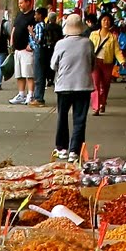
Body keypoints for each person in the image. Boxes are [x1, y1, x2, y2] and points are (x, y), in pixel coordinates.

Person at [48, 15, 94, 159]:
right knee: (80, 119)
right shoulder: (88, 43)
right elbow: (92, 64)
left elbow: (53, 65)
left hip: (64, 86)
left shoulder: (61, 44)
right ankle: (75, 150)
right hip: (83, 85)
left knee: (62, 117)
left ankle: (62, 148)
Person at [89, 12, 124, 113]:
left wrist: (122, 61)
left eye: (108, 20)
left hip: (107, 64)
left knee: (105, 85)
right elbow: (89, 47)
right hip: (95, 63)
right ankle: (96, 107)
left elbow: (117, 51)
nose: (106, 22)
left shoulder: (113, 37)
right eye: (104, 20)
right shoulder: (93, 34)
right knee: (95, 84)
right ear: (100, 21)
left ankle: (102, 103)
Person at [9, 0, 37, 104]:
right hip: (18, 49)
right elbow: (15, 28)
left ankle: (30, 94)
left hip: (27, 50)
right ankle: (21, 94)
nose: (19, 5)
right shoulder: (19, 15)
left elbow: (36, 31)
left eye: (21, 3)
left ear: (28, 2)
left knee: (29, 73)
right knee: (19, 74)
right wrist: (12, 39)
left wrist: (31, 44)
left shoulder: (33, 16)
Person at [35, 6, 61, 107]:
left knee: (39, 74)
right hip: (54, 50)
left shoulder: (42, 27)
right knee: (52, 69)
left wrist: (32, 34)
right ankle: (51, 80)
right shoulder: (58, 28)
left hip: (43, 52)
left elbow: (39, 40)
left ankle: (39, 97)